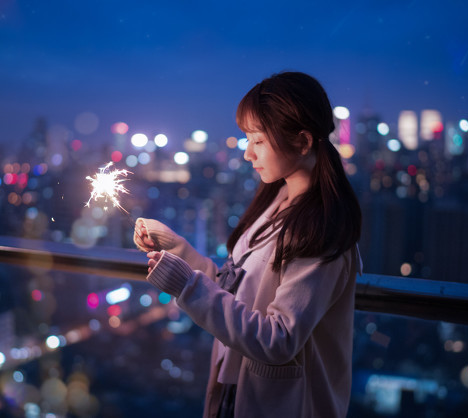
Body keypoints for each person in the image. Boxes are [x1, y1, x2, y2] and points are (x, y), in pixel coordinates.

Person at [133, 71, 362, 418]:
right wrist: (179, 251)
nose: (247, 153)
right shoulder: (277, 202)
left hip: (287, 403)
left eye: (257, 140)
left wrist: (186, 285)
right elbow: (235, 288)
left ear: (302, 142)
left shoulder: (319, 229)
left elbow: (278, 338)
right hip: (238, 387)